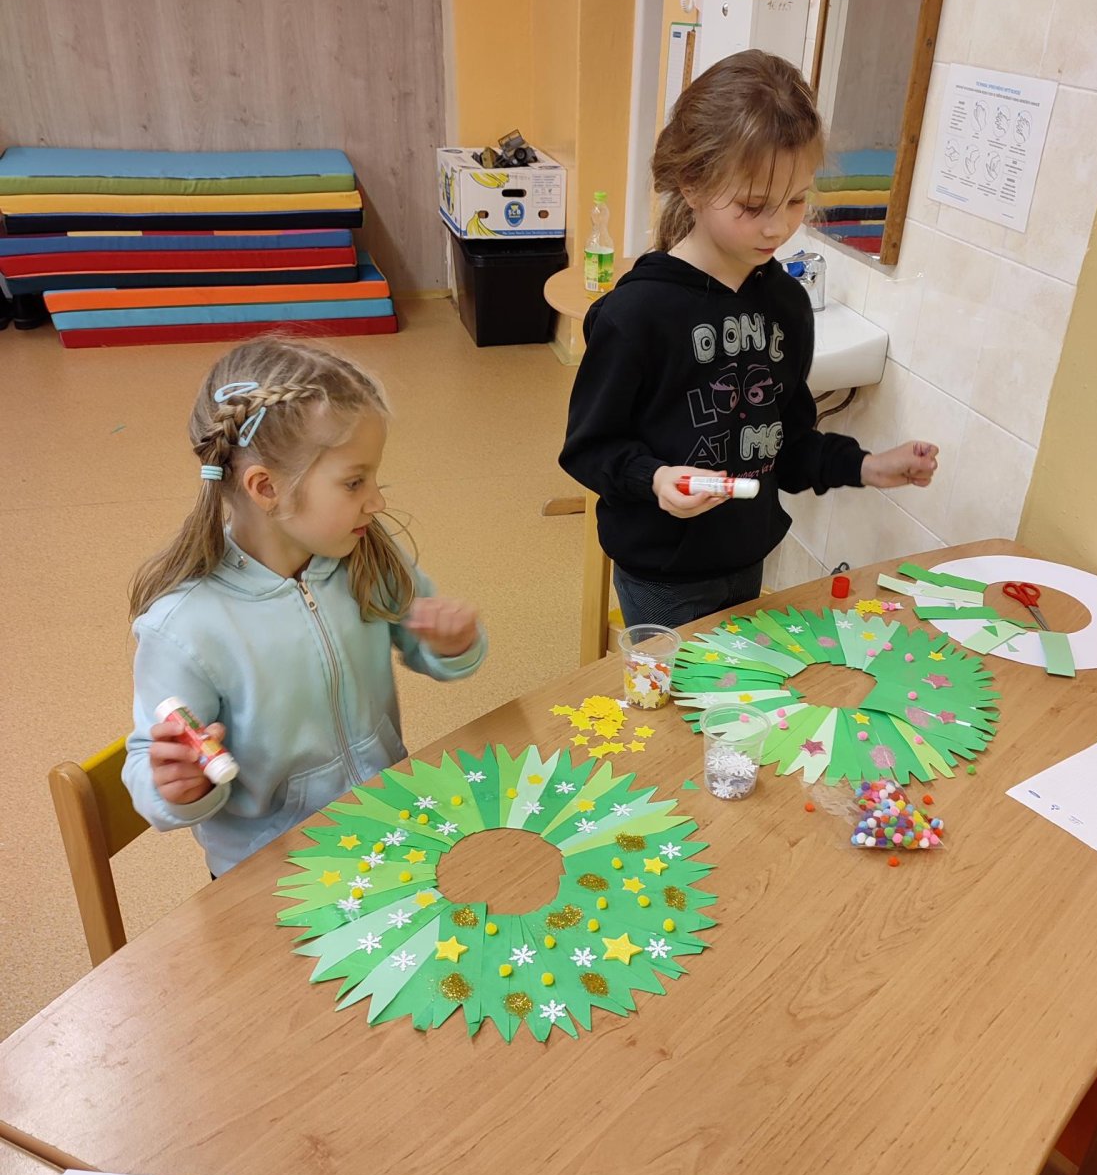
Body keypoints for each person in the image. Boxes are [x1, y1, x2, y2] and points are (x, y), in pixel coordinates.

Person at [559, 50, 938, 629]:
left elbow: (786, 444)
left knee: (741, 686)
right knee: (680, 690)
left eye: (796, 200)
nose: (778, 226)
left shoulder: (785, 305)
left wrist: (866, 466)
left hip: (748, 556)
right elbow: (589, 449)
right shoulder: (636, 314)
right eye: (754, 206)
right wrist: (655, 479)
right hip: (663, 574)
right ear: (692, 184)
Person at [123, 334, 485, 875]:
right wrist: (177, 788)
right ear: (266, 488)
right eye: (355, 482)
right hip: (269, 867)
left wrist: (451, 645)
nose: (377, 500)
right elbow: (147, 763)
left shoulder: (365, 552)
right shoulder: (184, 627)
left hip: (385, 826)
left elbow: (428, 645)